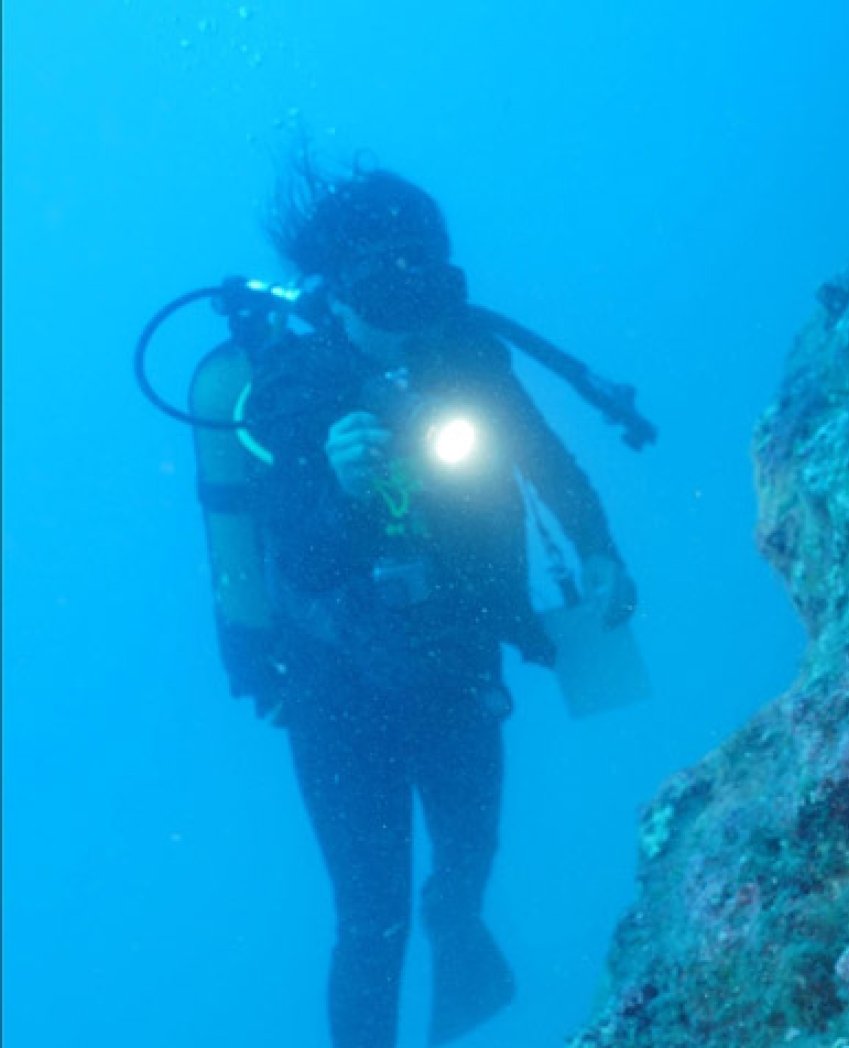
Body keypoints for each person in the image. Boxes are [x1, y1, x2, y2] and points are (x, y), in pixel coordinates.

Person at [245, 165, 637, 1048]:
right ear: (339, 287)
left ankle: (459, 954)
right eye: (390, 280)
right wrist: (341, 488)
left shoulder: (467, 354)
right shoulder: (293, 382)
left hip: (459, 663)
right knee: (369, 918)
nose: (415, 302)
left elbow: (547, 461)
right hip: (338, 694)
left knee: (464, 872)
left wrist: (602, 553)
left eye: (431, 275)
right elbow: (297, 556)